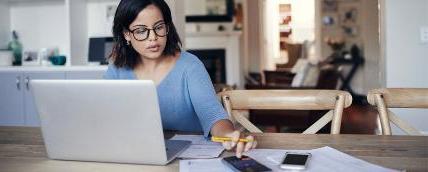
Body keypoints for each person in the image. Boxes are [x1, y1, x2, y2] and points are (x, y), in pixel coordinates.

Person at [104, 0, 256, 158]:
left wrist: (229, 135)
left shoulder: (190, 66)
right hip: (139, 156)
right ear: (126, 34)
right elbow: (103, 115)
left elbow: (214, 116)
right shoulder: (117, 69)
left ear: (167, 27)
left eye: (159, 27)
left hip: (190, 158)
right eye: (141, 31)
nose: (153, 38)